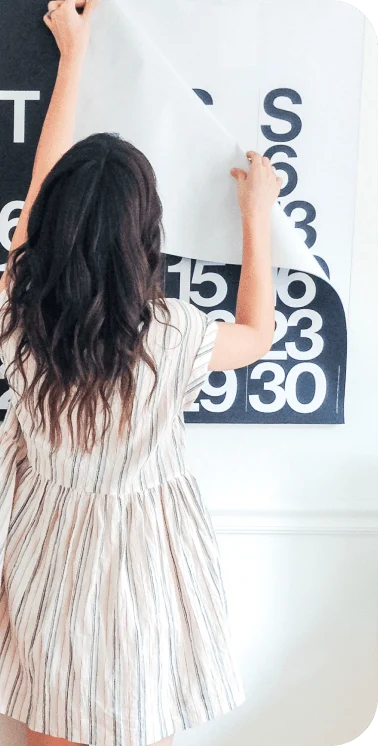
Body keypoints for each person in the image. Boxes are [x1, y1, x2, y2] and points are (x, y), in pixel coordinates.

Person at [0, 1, 282, 745]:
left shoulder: (18, 312)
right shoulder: (172, 335)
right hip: (142, 564)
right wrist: (259, 213)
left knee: (46, 723)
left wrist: (73, 59)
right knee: (134, 706)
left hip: (47, 551)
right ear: (144, 239)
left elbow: (41, 188)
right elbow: (256, 334)